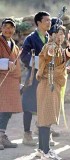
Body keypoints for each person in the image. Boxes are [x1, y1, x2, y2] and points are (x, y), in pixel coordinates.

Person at [36, 25, 70, 160]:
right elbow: (49, 53)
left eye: (62, 35)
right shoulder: (49, 46)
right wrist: (51, 49)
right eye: (58, 34)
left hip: (52, 85)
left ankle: (42, 149)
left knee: (46, 118)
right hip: (47, 84)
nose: (60, 37)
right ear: (52, 35)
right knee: (45, 118)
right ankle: (45, 151)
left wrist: (66, 61)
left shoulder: (59, 48)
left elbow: (60, 62)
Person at [20, 11, 58, 146]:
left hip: (48, 78)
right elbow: (23, 56)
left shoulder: (51, 38)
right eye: (46, 20)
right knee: (29, 105)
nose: (49, 23)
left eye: (50, 20)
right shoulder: (30, 39)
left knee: (46, 105)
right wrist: (40, 62)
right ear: (38, 23)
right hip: (33, 76)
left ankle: (45, 134)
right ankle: (27, 134)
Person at [0, 18, 22, 150]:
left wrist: (18, 82)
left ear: (14, 29)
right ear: (1, 28)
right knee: (1, 109)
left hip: (11, 83)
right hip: (2, 81)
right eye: (6, 27)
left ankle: (2, 135)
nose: (8, 30)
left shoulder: (14, 45)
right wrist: (5, 63)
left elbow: (17, 64)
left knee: (7, 111)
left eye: (11, 27)